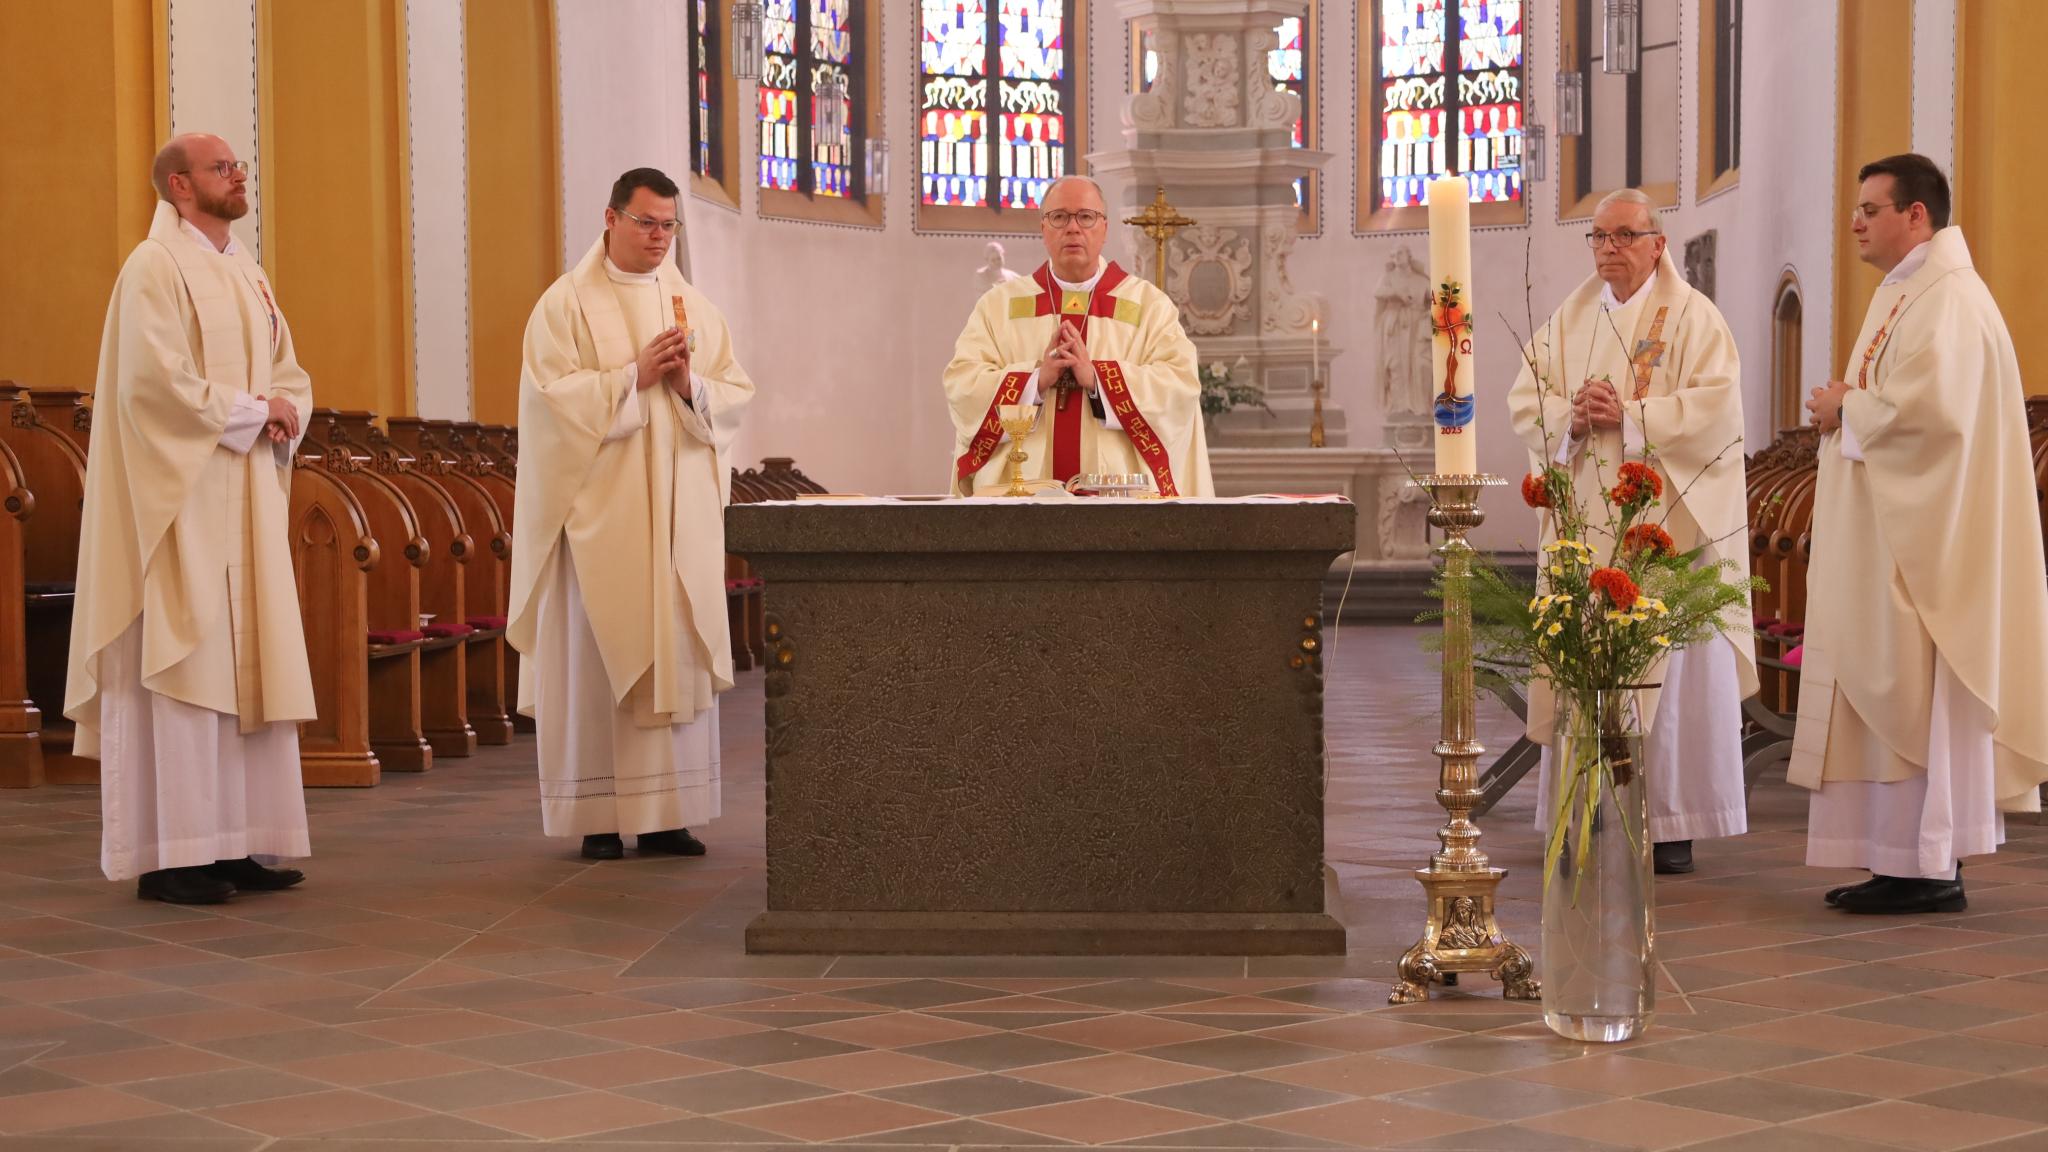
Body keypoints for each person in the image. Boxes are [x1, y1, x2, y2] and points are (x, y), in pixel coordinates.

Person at [1792, 153, 2048, 914]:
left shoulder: (1950, 302)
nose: (1856, 222)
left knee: (1916, 688)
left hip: (1927, 548)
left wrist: (1846, 408)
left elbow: (1935, 422)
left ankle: (1927, 863)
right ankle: (1900, 859)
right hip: (1892, 536)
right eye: (1857, 209)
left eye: (1871, 209)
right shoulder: (1907, 294)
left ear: (1917, 216)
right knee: (1889, 686)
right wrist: (1848, 410)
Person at [66, 133, 316, 904]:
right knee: (186, 666)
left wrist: (287, 409)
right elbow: (154, 384)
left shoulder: (246, 268)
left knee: (246, 671)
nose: (239, 175)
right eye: (221, 168)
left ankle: (234, 841)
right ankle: (173, 853)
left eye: (238, 166)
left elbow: (287, 368)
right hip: (180, 502)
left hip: (243, 496)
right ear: (180, 185)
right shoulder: (154, 267)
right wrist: (255, 411)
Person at [1506, 188, 1757, 876]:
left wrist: (1633, 416)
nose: (1609, 249)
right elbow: (1526, 397)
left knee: (1668, 681)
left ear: (1657, 244)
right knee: (1585, 665)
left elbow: (1716, 411)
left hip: (1665, 529)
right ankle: (1585, 803)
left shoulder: (1695, 320)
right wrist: (1573, 416)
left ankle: (1670, 822)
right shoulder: (1569, 318)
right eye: (1598, 237)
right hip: (1587, 530)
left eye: (1624, 235)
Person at [508, 167, 755, 861]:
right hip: (598, 522)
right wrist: (632, 378)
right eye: (646, 223)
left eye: (669, 226)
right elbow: (548, 402)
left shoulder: (693, 308)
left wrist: (688, 387)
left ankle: (665, 815)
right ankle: (597, 813)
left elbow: (733, 395)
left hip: (676, 520)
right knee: (597, 657)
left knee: (670, 652)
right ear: (610, 218)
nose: (657, 238)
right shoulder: (564, 306)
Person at [943, 176, 1213, 497]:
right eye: (1059, 217)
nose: (1073, 228)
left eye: (1086, 217)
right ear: (1043, 229)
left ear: (1104, 228)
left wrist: (1099, 379)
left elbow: (1179, 385)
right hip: (1021, 498)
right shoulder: (999, 306)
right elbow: (962, 384)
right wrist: (1035, 380)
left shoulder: (1149, 306)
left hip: (1119, 498)